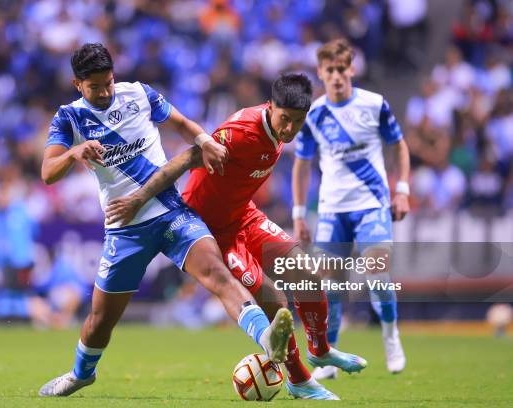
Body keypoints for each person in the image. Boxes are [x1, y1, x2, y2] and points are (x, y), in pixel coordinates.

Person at [38, 43, 295, 397]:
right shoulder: (69, 117)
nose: (104, 92)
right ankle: (82, 374)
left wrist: (204, 141)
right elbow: (48, 172)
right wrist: (74, 152)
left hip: (171, 211)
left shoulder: (139, 94)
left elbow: (182, 123)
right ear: (77, 85)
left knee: (217, 274)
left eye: (108, 83)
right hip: (125, 228)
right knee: (100, 321)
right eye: (95, 86)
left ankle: (266, 337)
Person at [106, 73, 368, 400]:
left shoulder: (283, 126)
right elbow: (189, 157)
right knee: (274, 300)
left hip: (244, 215)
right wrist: (137, 199)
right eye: (284, 119)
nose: (289, 129)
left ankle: (320, 350)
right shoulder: (240, 135)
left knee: (308, 277)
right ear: (270, 107)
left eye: (297, 122)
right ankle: (299, 379)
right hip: (212, 230)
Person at [291, 38, 410, 378]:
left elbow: (400, 147)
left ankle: (390, 335)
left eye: (342, 69)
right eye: (330, 70)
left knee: (377, 270)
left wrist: (401, 191)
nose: (337, 76)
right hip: (331, 210)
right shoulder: (312, 113)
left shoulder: (374, 105)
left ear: (352, 69)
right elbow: (302, 165)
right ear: (321, 73)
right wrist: (300, 212)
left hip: (372, 203)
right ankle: (329, 355)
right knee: (330, 285)